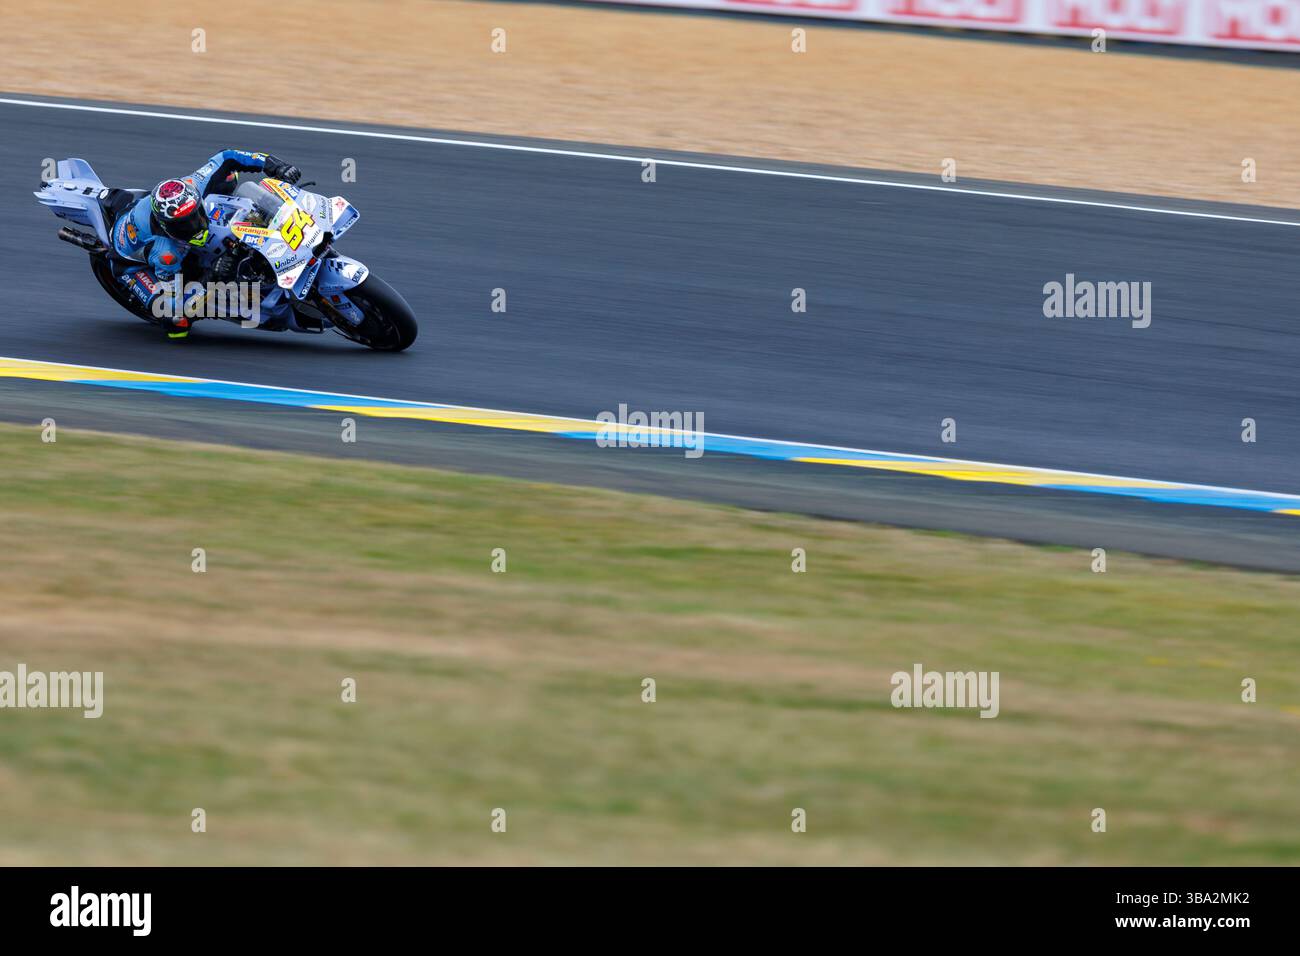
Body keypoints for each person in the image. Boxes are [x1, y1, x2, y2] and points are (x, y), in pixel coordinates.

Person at [109, 149, 301, 338]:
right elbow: (176, 302)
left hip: (142, 209)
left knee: (227, 179)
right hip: (129, 265)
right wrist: (213, 276)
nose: (194, 226)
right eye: (183, 225)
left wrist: (274, 165)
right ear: (166, 226)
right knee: (175, 321)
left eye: (195, 216)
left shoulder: (193, 185)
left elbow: (227, 156)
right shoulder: (165, 253)